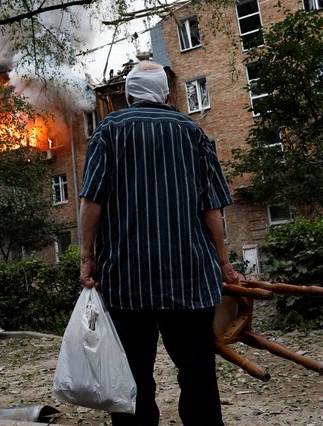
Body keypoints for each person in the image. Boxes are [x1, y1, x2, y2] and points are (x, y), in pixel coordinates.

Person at [79, 60, 240, 426]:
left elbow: (92, 201)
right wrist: (224, 263)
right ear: (166, 93)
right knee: (198, 377)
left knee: (132, 379)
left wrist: (87, 256)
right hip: (189, 278)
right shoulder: (192, 131)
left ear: (129, 93)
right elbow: (211, 207)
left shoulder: (108, 130)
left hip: (127, 280)